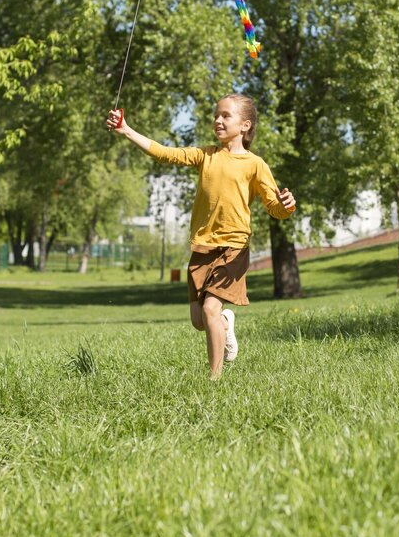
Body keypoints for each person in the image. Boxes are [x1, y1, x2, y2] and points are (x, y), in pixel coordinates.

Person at [107, 94, 296, 378]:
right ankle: (225, 322)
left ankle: (214, 378)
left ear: (245, 125)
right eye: (216, 115)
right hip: (202, 247)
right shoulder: (205, 155)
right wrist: (126, 129)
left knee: (209, 308)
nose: (217, 121)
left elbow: (275, 208)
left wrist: (286, 206)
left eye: (225, 116)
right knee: (200, 321)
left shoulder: (255, 165)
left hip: (233, 248)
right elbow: (163, 152)